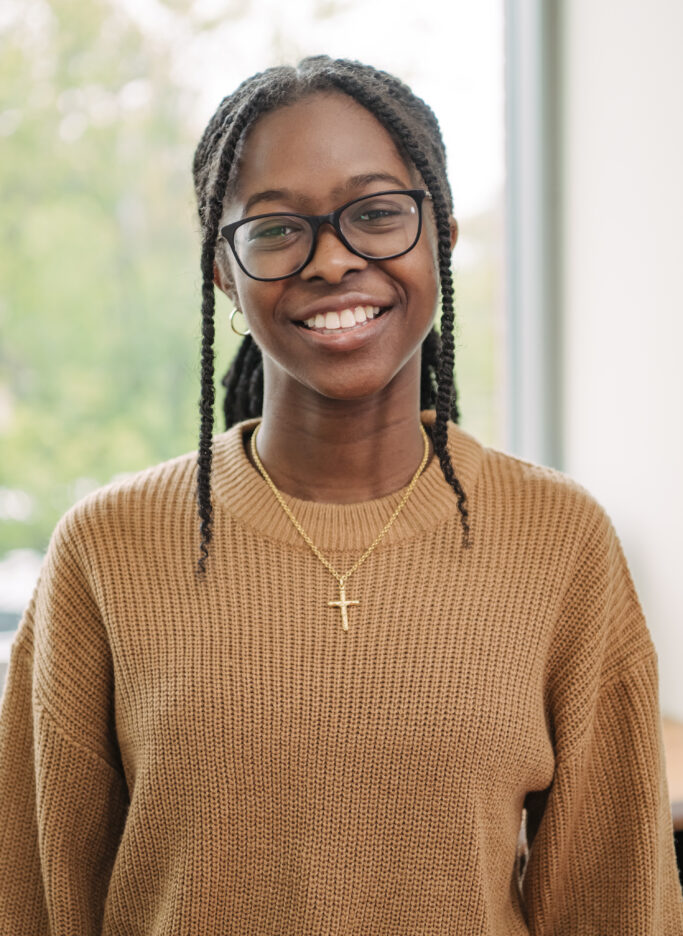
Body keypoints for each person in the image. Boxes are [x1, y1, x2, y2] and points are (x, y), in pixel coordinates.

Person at [0, 54, 681, 935]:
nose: (331, 260)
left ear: (442, 237)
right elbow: (36, 901)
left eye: (376, 214)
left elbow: (615, 905)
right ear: (222, 271)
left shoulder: (560, 540)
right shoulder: (107, 548)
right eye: (278, 228)